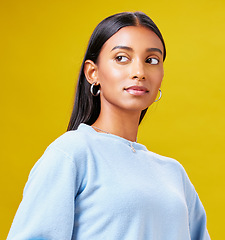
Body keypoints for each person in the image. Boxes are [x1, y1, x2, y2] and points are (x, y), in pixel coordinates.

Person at [7, 11, 210, 240]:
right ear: (93, 73)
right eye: (122, 58)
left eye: (151, 60)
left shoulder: (174, 173)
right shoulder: (72, 153)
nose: (139, 72)